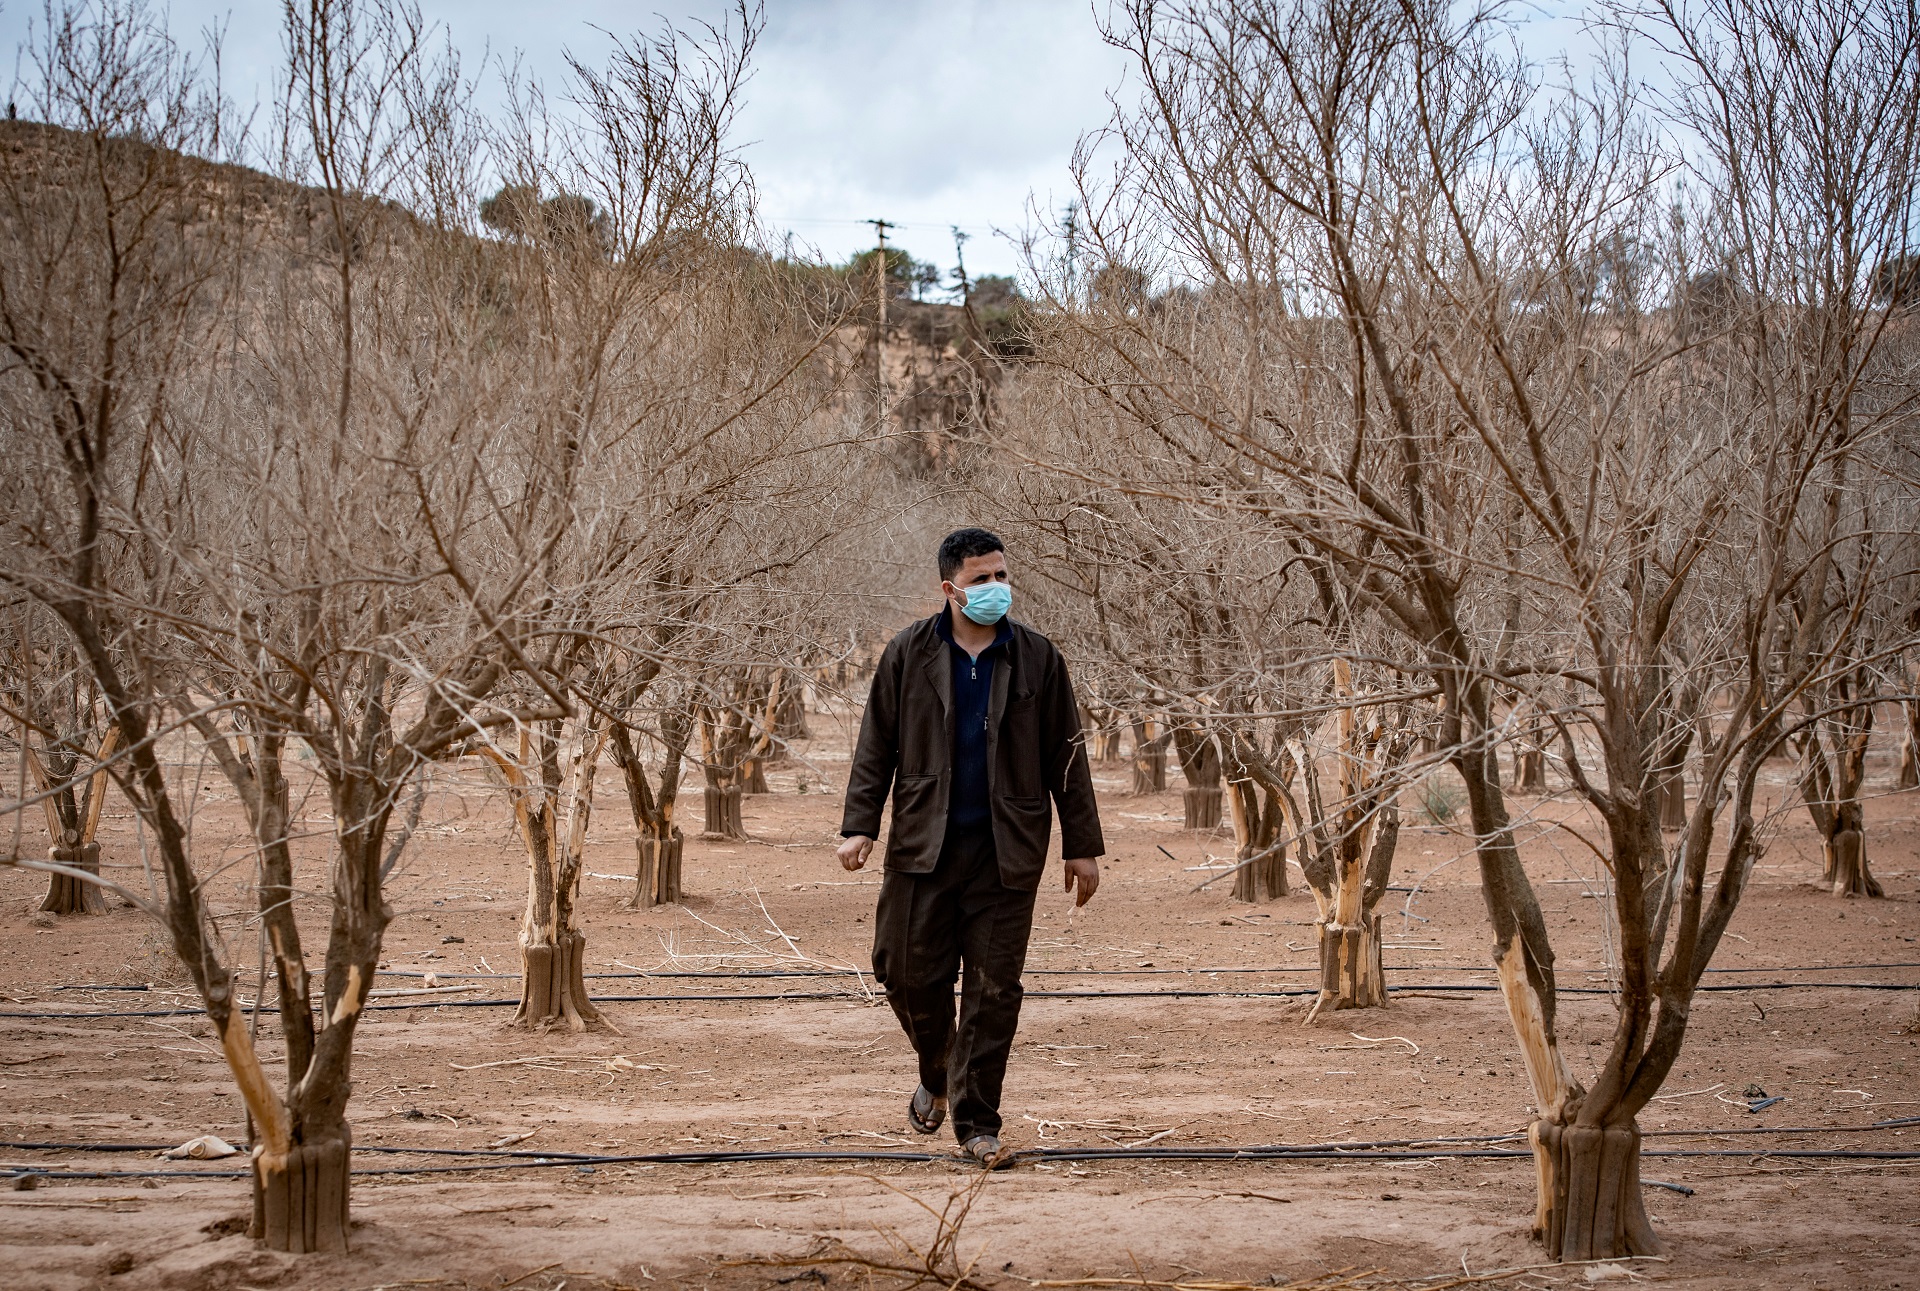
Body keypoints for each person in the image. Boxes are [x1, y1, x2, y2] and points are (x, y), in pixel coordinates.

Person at [837, 527, 1105, 1169]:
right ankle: (938, 1068)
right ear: (949, 588)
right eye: (981, 579)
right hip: (922, 847)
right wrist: (860, 824)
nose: (995, 589)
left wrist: (1081, 844)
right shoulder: (907, 654)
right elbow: (876, 742)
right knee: (901, 972)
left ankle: (977, 1123)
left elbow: (1066, 754)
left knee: (994, 989)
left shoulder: (1039, 658)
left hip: (1007, 851)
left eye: (1002, 577)